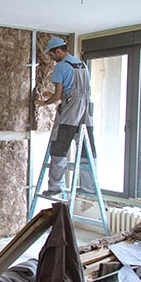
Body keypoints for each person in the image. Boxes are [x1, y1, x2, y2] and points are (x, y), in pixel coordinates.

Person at [34, 36, 97, 197]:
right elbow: (76, 91)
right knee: (85, 146)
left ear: (59, 51)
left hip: (71, 109)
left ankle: (55, 187)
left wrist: (43, 103)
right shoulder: (81, 64)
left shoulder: (61, 67)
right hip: (86, 108)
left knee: (59, 145)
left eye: (52, 55)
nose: (51, 59)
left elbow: (57, 97)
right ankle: (89, 187)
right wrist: (58, 95)